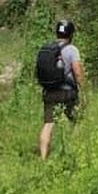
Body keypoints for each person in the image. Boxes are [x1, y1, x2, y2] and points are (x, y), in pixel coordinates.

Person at [34, 18, 82, 160]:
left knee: (48, 124)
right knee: (76, 121)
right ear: (71, 34)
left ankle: (43, 158)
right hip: (67, 93)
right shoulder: (71, 49)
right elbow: (78, 72)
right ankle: (72, 153)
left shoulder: (46, 48)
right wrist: (83, 89)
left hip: (49, 92)